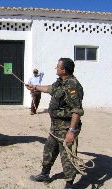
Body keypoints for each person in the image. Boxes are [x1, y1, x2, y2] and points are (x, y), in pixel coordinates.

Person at [25, 58, 84, 189]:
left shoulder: (73, 85)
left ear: (63, 70)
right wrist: (35, 87)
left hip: (66, 128)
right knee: (49, 150)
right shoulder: (60, 82)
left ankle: (69, 184)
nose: (56, 68)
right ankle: (44, 174)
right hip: (55, 127)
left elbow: (77, 111)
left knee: (67, 157)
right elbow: (50, 88)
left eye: (58, 67)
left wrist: (72, 131)